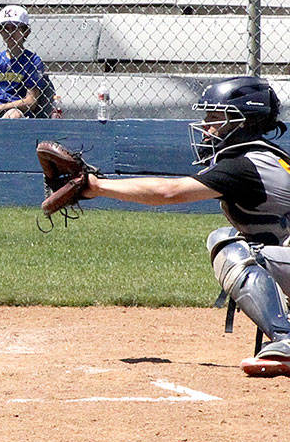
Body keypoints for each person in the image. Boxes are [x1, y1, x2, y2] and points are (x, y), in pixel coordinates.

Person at [77, 76, 290, 377]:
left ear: (242, 122)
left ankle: (286, 338)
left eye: (215, 118)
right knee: (241, 241)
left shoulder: (245, 165)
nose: (206, 127)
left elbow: (168, 192)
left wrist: (97, 186)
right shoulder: (264, 157)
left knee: (229, 246)